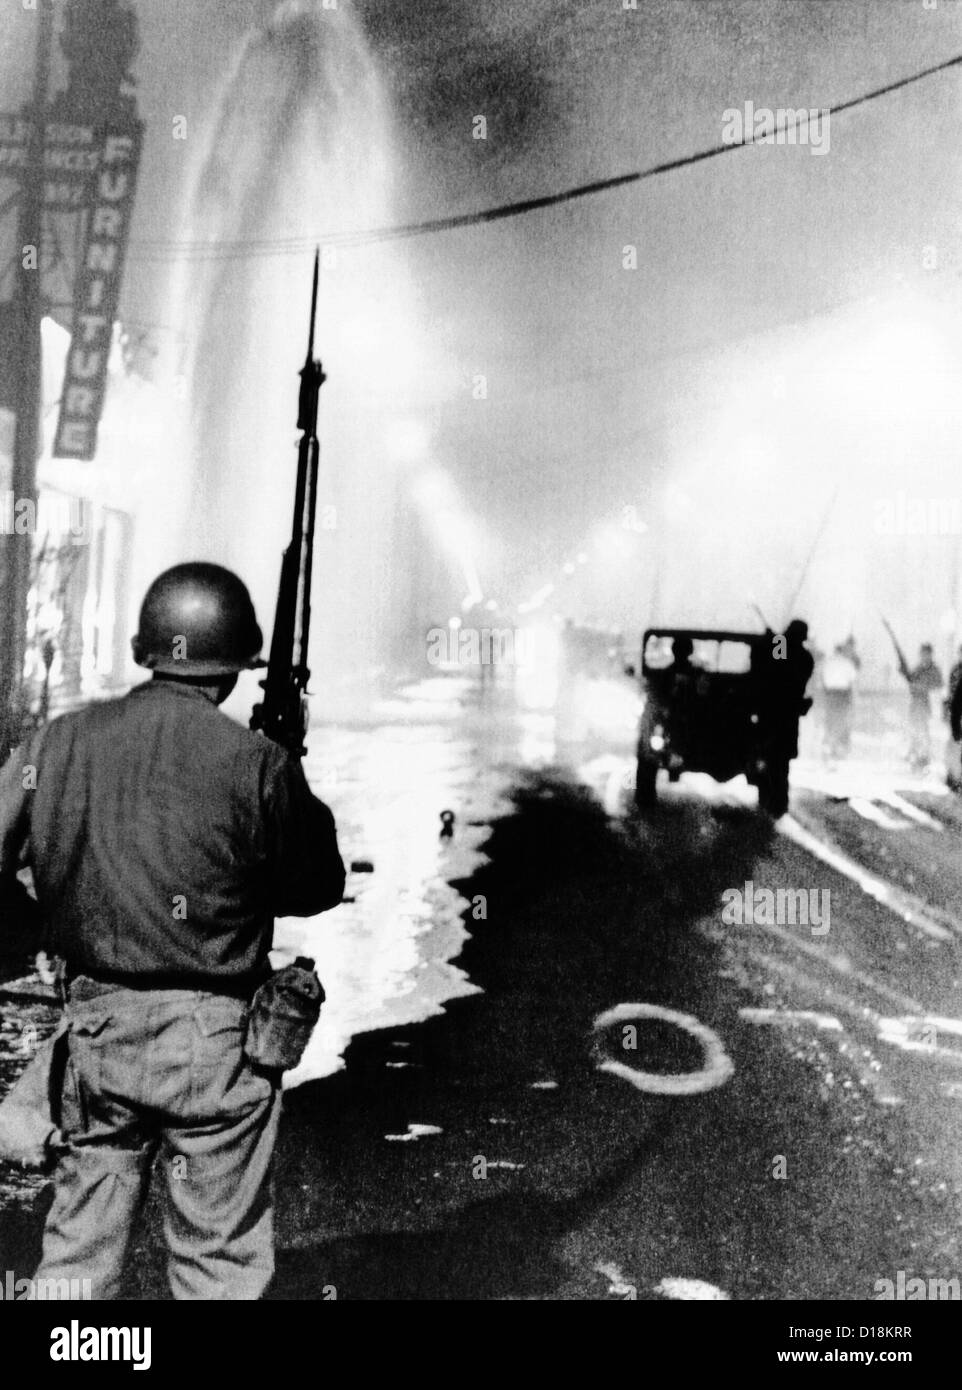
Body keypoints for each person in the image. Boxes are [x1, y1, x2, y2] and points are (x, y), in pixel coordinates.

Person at [0, 562, 345, 1300]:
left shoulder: (60, 741)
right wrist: (288, 764)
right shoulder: (256, 764)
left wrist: (58, 903)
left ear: (147, 648)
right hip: (215, 1054)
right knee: (216, 1266)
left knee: (76, 1261)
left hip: (96, 1042)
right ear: (232, 669)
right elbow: (317, 886)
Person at [757, 618, 814, 815]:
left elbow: (776, 666)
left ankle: (773, 798)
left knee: (773, 758)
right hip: (788, 713)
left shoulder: (788, 650)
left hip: (774, 712)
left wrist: (775, 640)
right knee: (780, 761)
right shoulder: (805, 657)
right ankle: (778, 799)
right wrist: (776, 640)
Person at [903, 642, 943, 771]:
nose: (924, 656)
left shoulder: (934, 670)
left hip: (926, 705)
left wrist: (923, 687)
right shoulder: (918, 668)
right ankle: (914, 756)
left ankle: (923, 758)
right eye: (922, 654)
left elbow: (938, 686)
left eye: (927, 654)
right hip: (915, 704)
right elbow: (911, 681)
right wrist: (904, 673)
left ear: (931, 655)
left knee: (923, 732)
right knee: (914, 730)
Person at [820, 639, 859, 761]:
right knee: (841, 721)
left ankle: (827, 747)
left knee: (830, 721)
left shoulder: (827, 663)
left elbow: (822, 680)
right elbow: (853, 683)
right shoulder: (847, 663)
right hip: (843, 695)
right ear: (842, 651)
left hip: (830, 694)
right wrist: (854, 699)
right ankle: (838, 749)